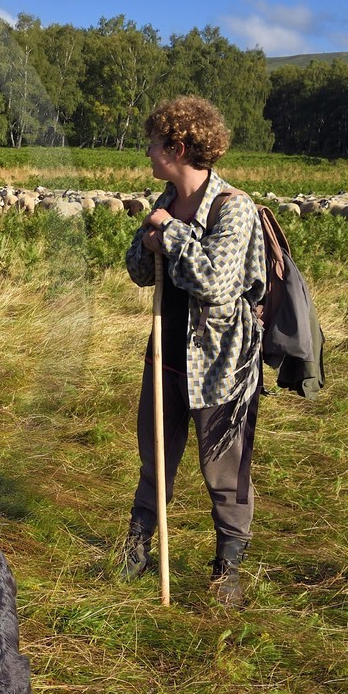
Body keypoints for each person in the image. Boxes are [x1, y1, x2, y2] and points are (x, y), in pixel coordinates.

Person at [120, 96, 265, 606]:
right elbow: (138, 271)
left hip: (222, 365)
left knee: (223, 469)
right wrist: (150, 240)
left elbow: (217, 282)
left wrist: (172, 235)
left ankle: (228, 569)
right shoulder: (164, 200)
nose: (148, 151)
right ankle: (137, 548)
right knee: (155, 456)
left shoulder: (234, 208)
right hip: (166, 356)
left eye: (154, 143)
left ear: (177, 147)